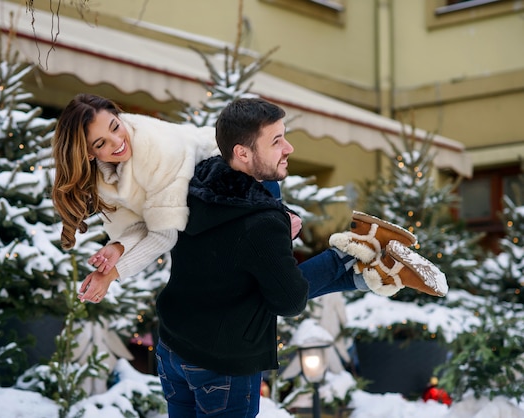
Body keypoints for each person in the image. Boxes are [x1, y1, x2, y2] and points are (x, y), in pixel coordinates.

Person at [154, 97, 447, 417]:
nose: (289, 148)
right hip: (221, 364)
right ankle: (356, 255)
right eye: (276, 140)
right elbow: (288, 301)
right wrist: (285, 228)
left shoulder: (195, 182)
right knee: (282, 289)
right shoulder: (260, 223)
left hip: (173, 348)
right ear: (242, 152)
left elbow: (240, 250)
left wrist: (277, 214)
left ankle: (365, 270)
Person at [51, 93, 219, 303]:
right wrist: (117, 247)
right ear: (89, 154)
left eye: (115, 127)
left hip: (242, 176)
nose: (117, 142)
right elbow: (142, 225)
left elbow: (164, 235)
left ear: (119, 117)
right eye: (101, 143)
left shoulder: (157, 148)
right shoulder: (104, 180)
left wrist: (110, 275)